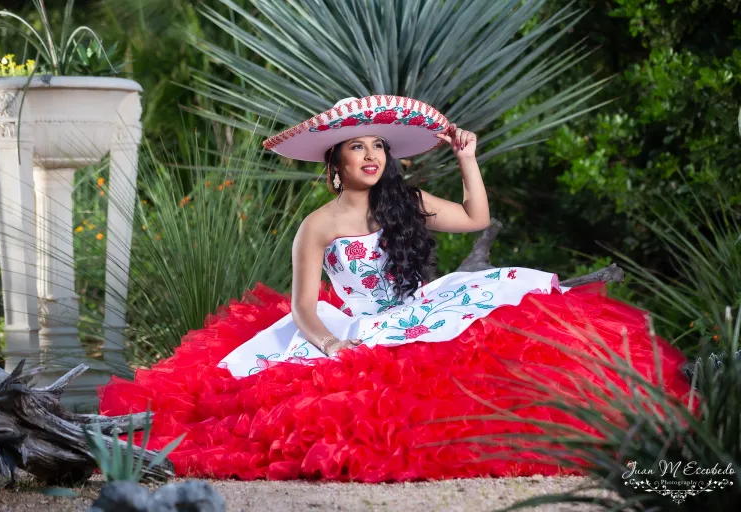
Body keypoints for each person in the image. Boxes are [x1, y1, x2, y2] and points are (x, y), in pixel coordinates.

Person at [98, 95, 692, 482]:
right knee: (287, 399)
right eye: (358, 145)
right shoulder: (319, 224)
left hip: (415, 308)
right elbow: (305, 306)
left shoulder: (406, 202)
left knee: (514, 292)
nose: (372, 154)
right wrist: (329, 344)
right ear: (335, 160)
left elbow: (476, 218)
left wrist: (468, 159)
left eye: (378, 144)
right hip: (352, 321)